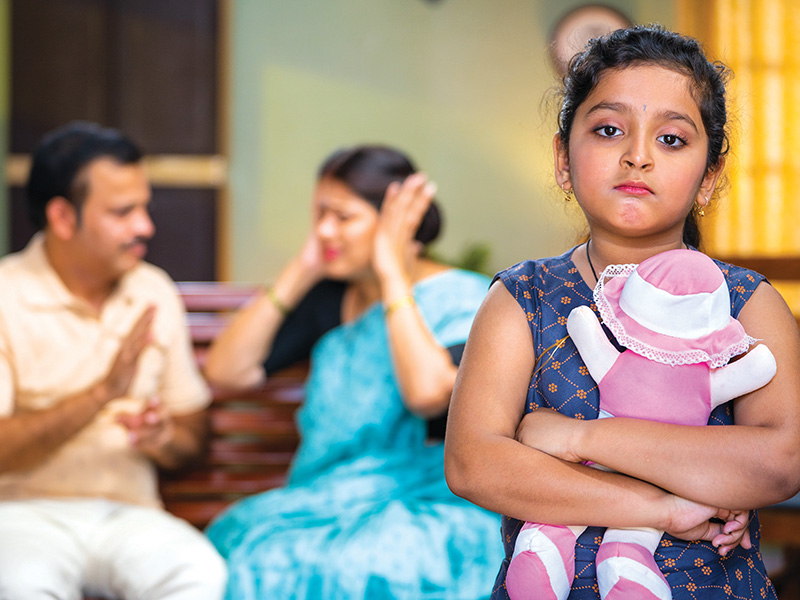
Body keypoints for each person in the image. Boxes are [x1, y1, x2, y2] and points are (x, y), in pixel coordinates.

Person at [444, 25, 800, 600]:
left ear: (709, 178)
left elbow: (779, 462)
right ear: (564, 159)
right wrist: (661, 506)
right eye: (609, 130)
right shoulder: (523, 297)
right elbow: (473, 463)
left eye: (672, 140)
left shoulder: (750, 303)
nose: (637, 156)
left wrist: (568, 438)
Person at [204, 145, 504, 599]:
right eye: (318, 215)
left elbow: (427, 392)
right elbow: (227, 369)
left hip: (426, 505)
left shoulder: (465, 298)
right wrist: (303, 266)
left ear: (393, 223)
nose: (324, 230)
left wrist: (391, 275)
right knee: (241, 545)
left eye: (342, 217)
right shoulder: (332, 298)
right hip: (324, 500)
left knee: (361, 564)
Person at [0, 121, 227, 599]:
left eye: (144, 208)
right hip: (22, 515)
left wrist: (164, 439)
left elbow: (193, 434)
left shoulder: (153, 291)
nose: (145, 226)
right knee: (20, 586)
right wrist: (103, 393)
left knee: (200, 576)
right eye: (123, 212)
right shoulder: (6, 294)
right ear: (63, 217)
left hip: (132, 515)